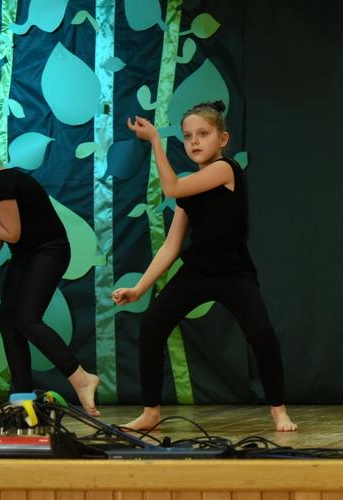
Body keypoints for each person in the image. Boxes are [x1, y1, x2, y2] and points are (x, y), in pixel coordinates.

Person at [112, 101, 297, 432]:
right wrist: (139, 288)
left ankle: (278, 409)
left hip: (233, 272)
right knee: (151, 326)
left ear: (222, 139)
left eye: (203, 134)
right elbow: (171, 246)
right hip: (198, 271)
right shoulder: (191, 188)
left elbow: (171, 188)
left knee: (261, 334)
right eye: (187, 136)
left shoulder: (226, 170)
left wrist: (156, 140)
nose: (194, 141)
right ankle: (151, 411)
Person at [0, 127, 100, 416]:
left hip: (50, 250)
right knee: (8, 320)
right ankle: (21, 397)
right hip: (26, 254)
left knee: (27, 319)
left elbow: (12, 234)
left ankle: (81, 378)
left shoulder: (3, 183)